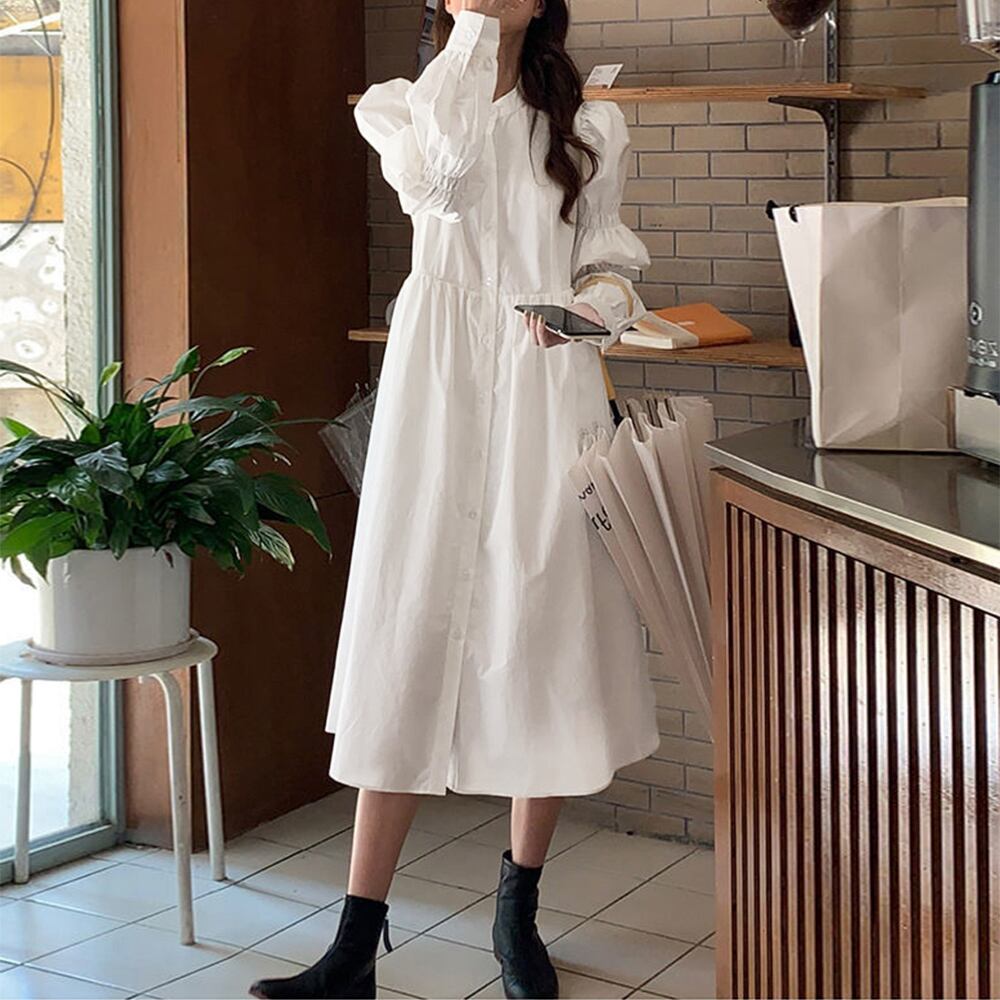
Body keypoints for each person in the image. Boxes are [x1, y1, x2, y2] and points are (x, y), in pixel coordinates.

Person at [250, 0, 658, 997]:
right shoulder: (400, 105)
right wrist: (472, 34)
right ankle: (354, 944)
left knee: (545, 627)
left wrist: (591, 308)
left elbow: (612, 260)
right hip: (437, 391)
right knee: (406, 628)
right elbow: (439, 183)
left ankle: (518, 916)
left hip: (545, 384)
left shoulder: (590, 124)